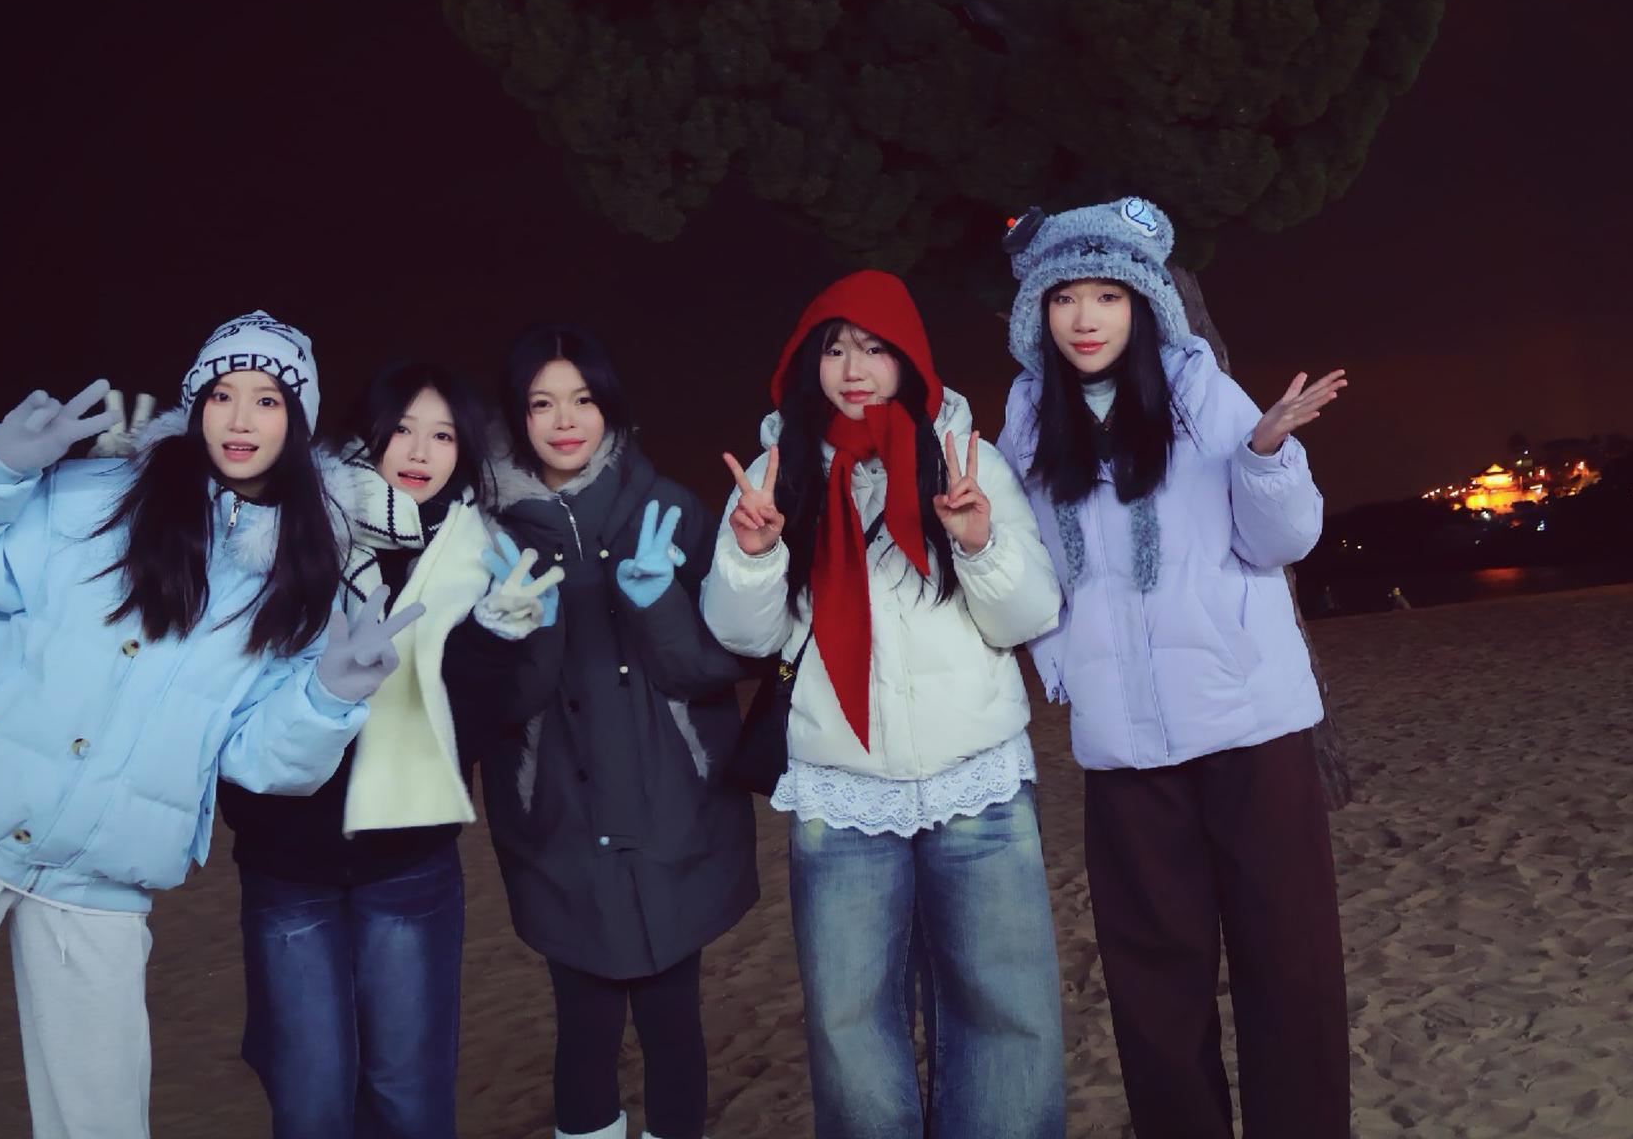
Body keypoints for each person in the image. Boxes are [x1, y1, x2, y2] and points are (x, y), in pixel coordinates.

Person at [0, 311, 413, 1139]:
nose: (240, 419)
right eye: (222, 394)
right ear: (195, 403)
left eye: (267, 400)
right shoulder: (96, 498)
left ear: (296, 422)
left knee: (100, 1120)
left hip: (102, 877)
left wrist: (329, 699)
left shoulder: (301, 581)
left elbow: (259, 759)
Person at [998, 199, 1350, 1139]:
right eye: (1063, 297)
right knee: (1153, 986)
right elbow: (1028, 575)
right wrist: (1062, 668)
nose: (1084, 318)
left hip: (1253, 728)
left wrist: (1267, 453)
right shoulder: (1027, 423)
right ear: (1037, 312)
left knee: (1289, 966)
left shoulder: (1201, 392)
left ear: (1144, 303)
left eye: (1107, 295)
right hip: (1124, 750)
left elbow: (1278, 543)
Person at [701, 271, 1068, 1139]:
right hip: (841, 790)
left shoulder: (967, 458)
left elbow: (1028, 616)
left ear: (907, 358)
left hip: (975, 780)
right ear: (809, 362)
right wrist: (753, 554)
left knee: (1006, 1007)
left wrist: (978, 541)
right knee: (849, 1023)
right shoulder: (779, 469)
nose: (854, 368)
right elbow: (745, 635)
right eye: (835, 349)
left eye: (873, 347)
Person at [449, 324, 756, 1139]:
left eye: (582, 399)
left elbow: (719, 664)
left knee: (673, 1017)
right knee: (583, 1022)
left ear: (610, 406)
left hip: (673, 806)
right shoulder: (485, 533)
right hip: (558, 816)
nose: (565, 421)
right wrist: (521, 630)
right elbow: (494, 707)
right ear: (517, 416)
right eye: (542, 403)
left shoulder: (669, 509)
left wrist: (657, 607)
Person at [217, 361, 497, 1138]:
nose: (420, 451)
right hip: (286, 859)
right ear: (364, 435)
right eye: (401, 429)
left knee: (408, 1095)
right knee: (310, 1097)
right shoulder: (287, 524)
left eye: (444, 435)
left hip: (408, 859)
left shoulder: (475, 554)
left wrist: (504, 635)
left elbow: (484, 716)